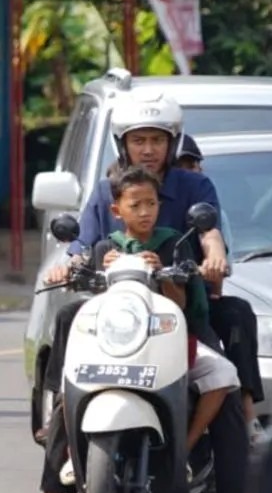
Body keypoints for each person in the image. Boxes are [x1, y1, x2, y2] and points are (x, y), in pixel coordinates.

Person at [11, 90, 258, 493]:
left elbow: (209, 234)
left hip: (175, 314)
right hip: (118, 319)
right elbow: (81, 245)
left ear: (172, 142)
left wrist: (214, 257)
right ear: (122, 145)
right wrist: (70, 265)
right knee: (69, 362)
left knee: (222, 382)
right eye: (138, 140)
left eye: (157, 140)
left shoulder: (193, 187)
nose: (148, 149)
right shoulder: (105, 190)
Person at [93, 166, 239, 454]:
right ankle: (73, 455)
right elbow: (98, 303)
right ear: (116, 210)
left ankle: (186, 446)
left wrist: (165, 273)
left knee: (223, 373)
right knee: (70, 379)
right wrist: (104, 270)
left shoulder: (173, 243)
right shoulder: (105, 249)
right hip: (118, 344)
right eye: (135, 205)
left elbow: (180, 304)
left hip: (165, 339)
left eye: (151, 203)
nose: (145, 212)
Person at [176, 133, 265, 435]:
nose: (187, 173)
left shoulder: (208, 213)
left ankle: (246, 411)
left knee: (237, 313)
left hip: (194, 303)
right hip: (141, 309)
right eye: (179, 167)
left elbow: (217, 263)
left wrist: (211, 272)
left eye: (191, 166)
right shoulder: (138, 202)